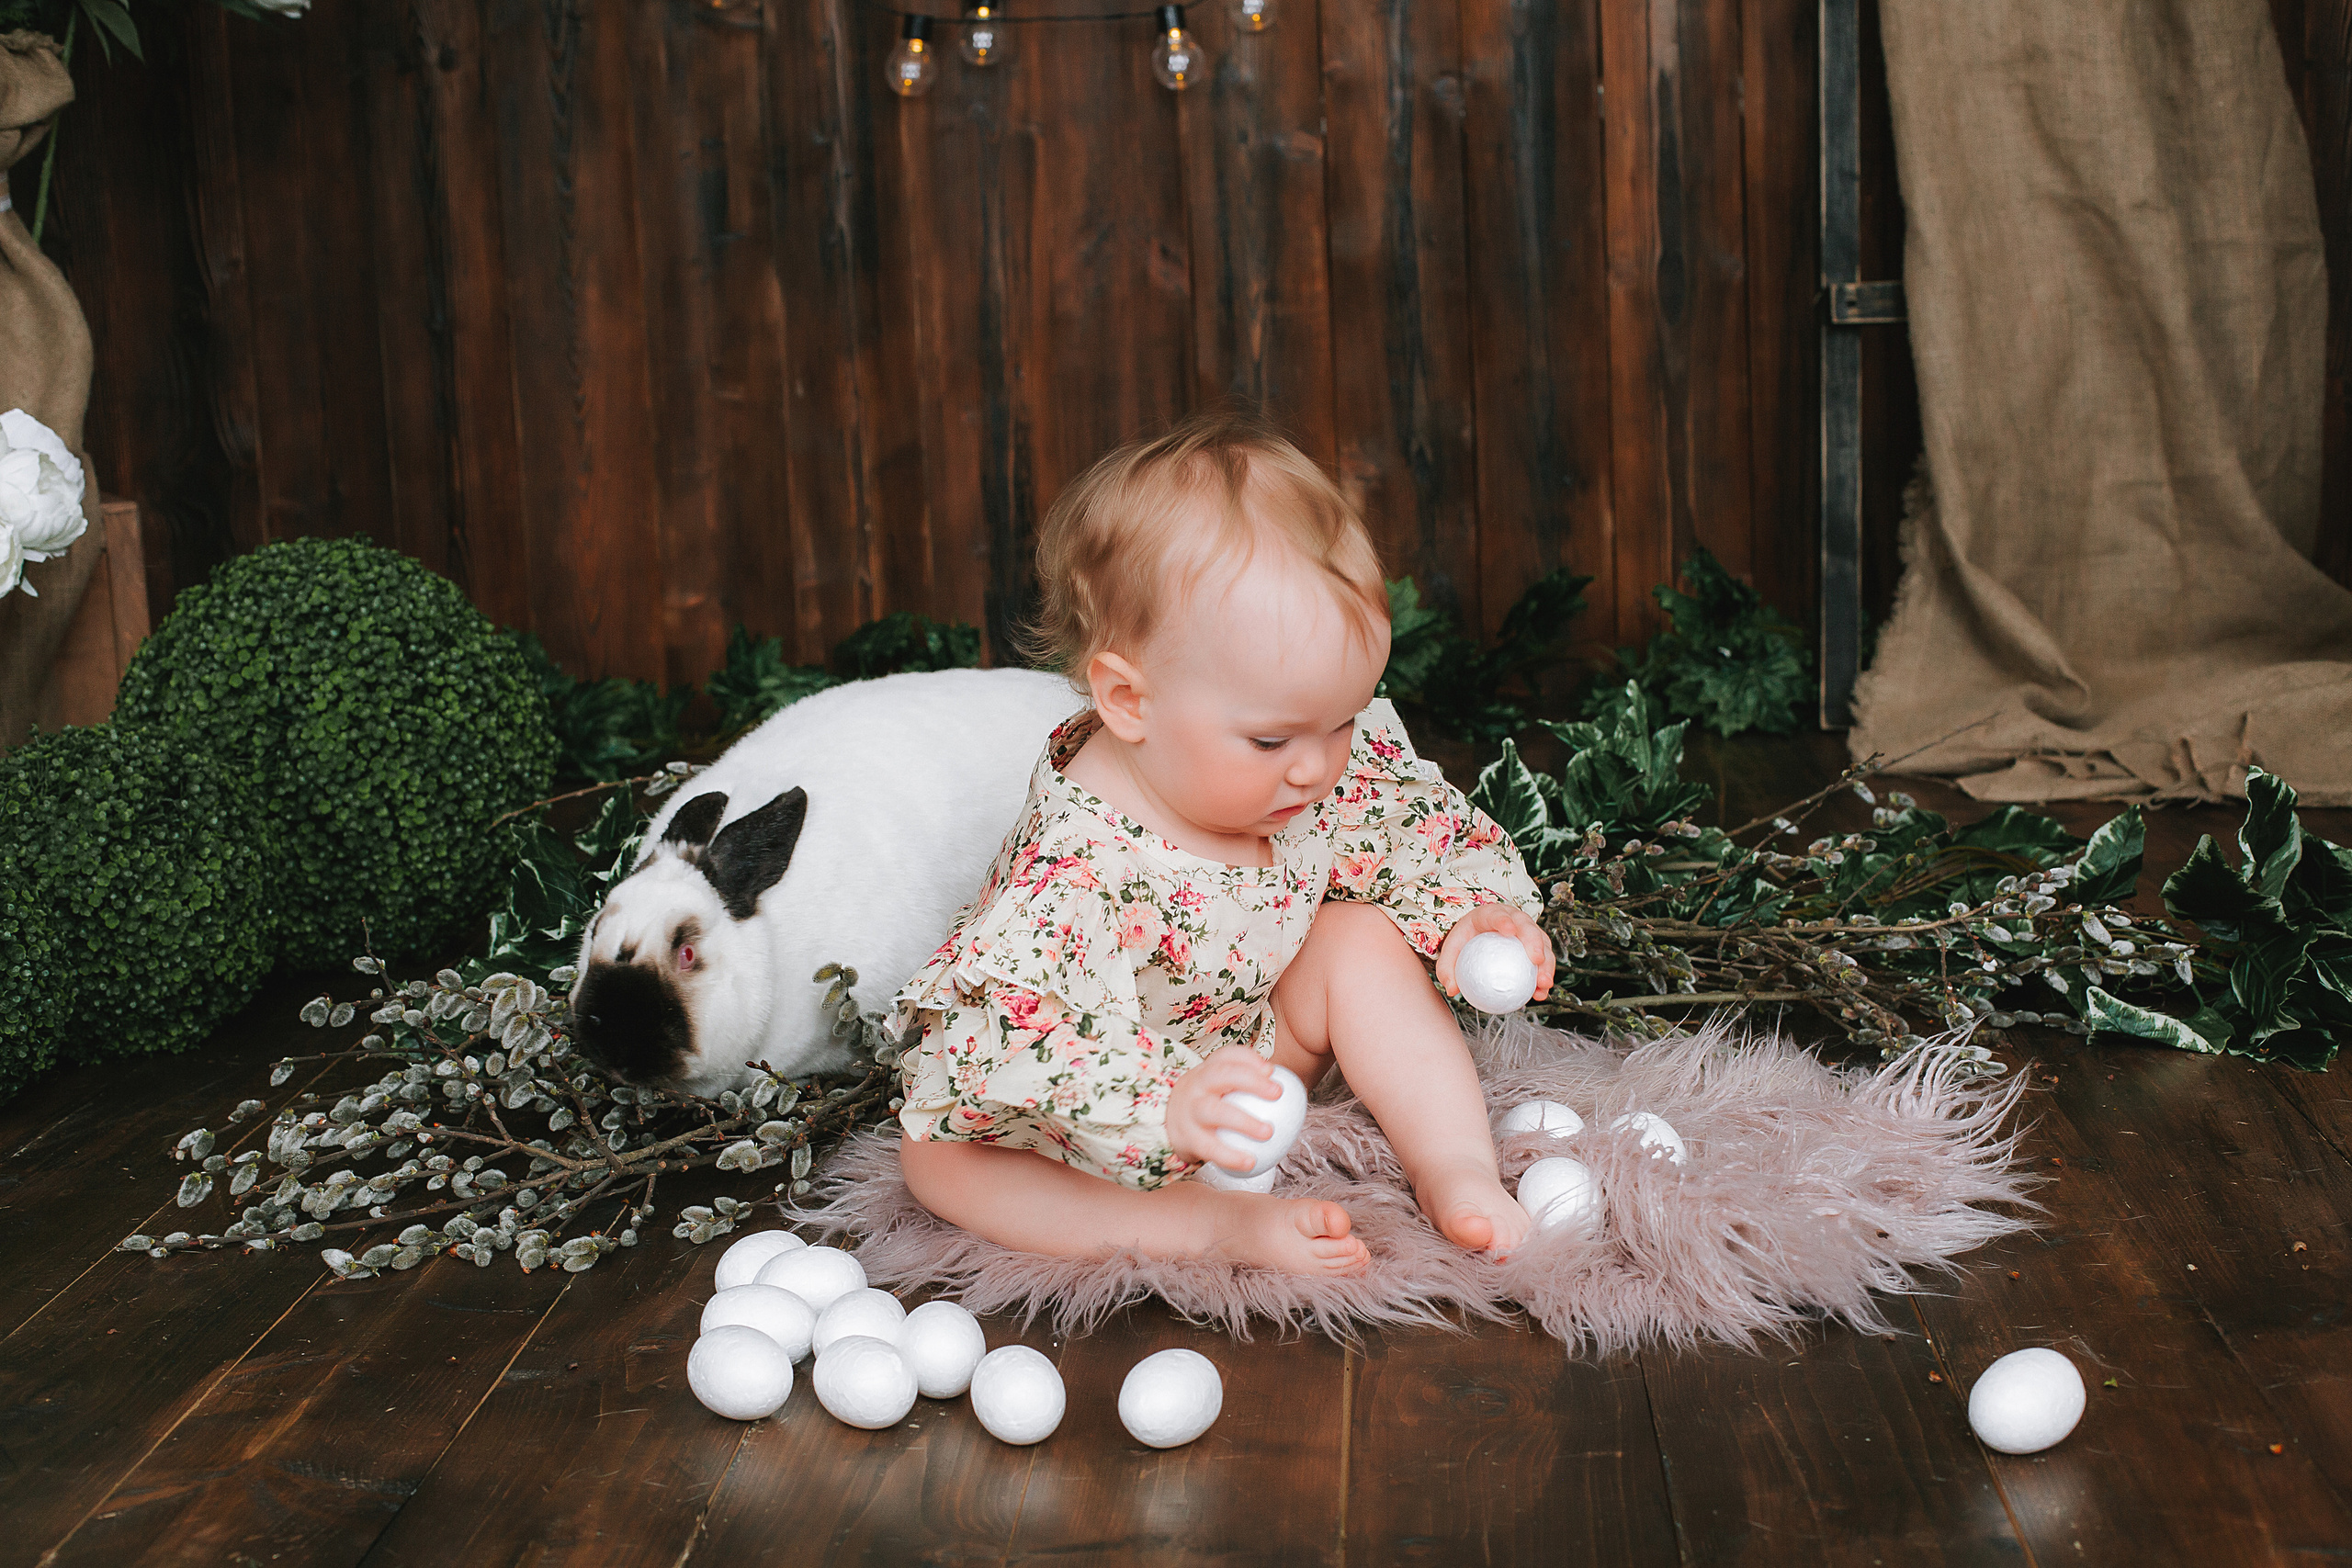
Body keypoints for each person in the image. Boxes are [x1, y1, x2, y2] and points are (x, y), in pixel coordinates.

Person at [891, 411, 1554, 1276]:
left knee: (1358, 937)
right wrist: (1166, 1106)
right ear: (1130, 701)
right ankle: (1207, 1227)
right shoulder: (1077, 863)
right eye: (1274, 741)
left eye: (1344, 720)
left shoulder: (1302, 762)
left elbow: (1404, 832)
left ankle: (1455, 1164)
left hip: (1249, 1049)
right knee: (943, 1160)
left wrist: (1472, 914)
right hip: (1087, 1105)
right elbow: (1033, 1036)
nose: (1317, 767)